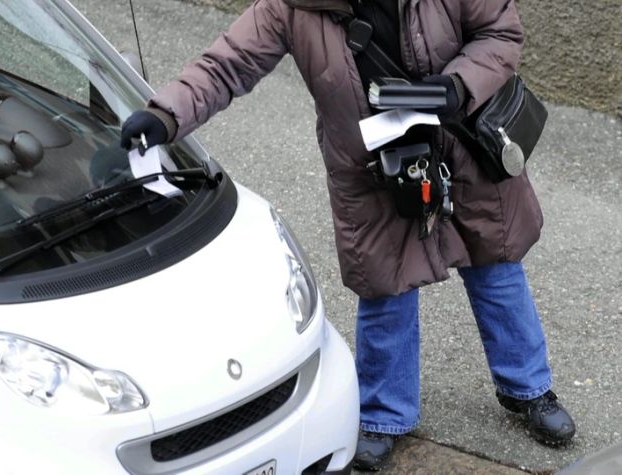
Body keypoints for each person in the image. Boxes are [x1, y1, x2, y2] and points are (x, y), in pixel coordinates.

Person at [118, 0, 576, 471]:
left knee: (495, 265)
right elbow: (227, 64)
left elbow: (500, 33)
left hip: (465, 140)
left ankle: (528, 388)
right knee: (384, 285)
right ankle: (384, 414)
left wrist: (456, 86)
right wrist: (165, 116)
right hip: (371, 162)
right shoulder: (289, 7)